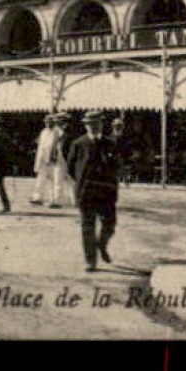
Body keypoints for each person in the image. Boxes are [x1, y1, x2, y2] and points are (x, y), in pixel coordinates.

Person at [68, 109, 121, 272]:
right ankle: (90, 260)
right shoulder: (78, 144)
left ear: (101, 125)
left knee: (110, 225)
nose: (93, 127)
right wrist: (81, 183)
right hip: (86, 191)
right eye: (90, 124)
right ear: (85, 126)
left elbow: (117, 166)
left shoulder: (110, 144)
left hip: (106, 191)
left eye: (96, 124)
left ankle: (101, 244)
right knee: (87, 227)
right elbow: (71, 168)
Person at [33, 114, 69, 206]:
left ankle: (56, 201)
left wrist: (53, 156)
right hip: (43, 158)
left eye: (50, 122)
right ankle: (38, 198)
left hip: (56, 158)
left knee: (57, 180)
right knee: (41, 179)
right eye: (46, 122)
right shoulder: (44, 132)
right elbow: (41, 145)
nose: (47, 123)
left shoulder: (58, 131)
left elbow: (60, 141)